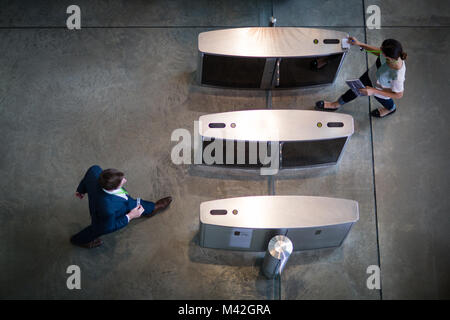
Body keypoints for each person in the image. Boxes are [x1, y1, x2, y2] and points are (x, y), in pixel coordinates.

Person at [71, 165, 172, 248]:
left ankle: (151, 208)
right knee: (96, 229)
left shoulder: (95, 170)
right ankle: (80, 241)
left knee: (135, 203)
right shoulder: (108, 209)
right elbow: (108, 227)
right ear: (112, 188)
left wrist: (81, 190)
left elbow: (86, 180)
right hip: (104, 216)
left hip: (121, 202)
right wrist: (130, 216)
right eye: (122, 181)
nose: (125, 180)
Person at [316, 37, 407, 118]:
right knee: (354, 90)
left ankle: (391, 108)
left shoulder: (397, 75)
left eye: (382, 52)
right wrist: (360, 44)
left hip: (380, 90)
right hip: (370, 76)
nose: (380, 52)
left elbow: (398, 95)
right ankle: (335, 104)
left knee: (384, 101)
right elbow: (377, 52)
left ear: (389, 58)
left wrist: (373, 91)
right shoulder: (390, 56)